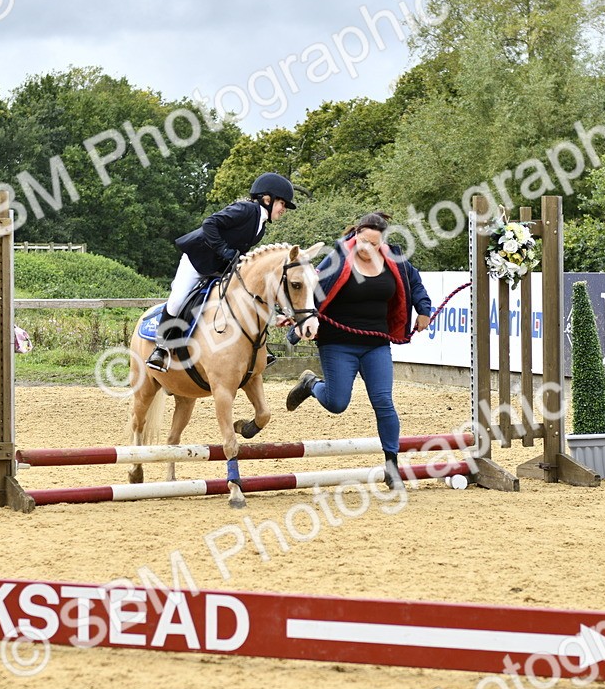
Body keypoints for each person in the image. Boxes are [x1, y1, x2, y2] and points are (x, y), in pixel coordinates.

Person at [285, 212, 432, 490]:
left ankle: (392, 467)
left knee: (384, 402)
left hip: (376, 344)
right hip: (338, 343)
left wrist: (424, 309)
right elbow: (311, 288)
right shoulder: (338, 258)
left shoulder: (394, 259)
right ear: (356, 236)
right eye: (364, 242)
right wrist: (299, 325)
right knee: (337, 403)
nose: (368, 249)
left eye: (375, 245)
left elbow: (415, 283)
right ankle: (311, 384)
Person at [147, 172, 297, 371]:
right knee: (177, 299)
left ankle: (259, 347)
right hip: (197, 261)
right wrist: (224, 250)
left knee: (245, 299)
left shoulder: (260, 226)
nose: (284, 209)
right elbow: (210, 223)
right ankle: (161, 348)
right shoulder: (246, 209)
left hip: (220, 268)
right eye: (283, 204)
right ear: (267, 199)